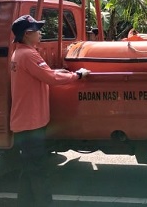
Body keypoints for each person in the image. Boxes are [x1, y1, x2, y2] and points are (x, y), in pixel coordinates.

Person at [10, 15, 91, 207]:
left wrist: (62, 72)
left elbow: (44, 73)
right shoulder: (29, 55)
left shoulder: (19, 53)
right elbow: (50, 78)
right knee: (39, 171)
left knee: (29, 170)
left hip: (24, 122)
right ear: (27, 34)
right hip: (31, 123)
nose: (40, 33)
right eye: (37, 30)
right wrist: (77, 76)